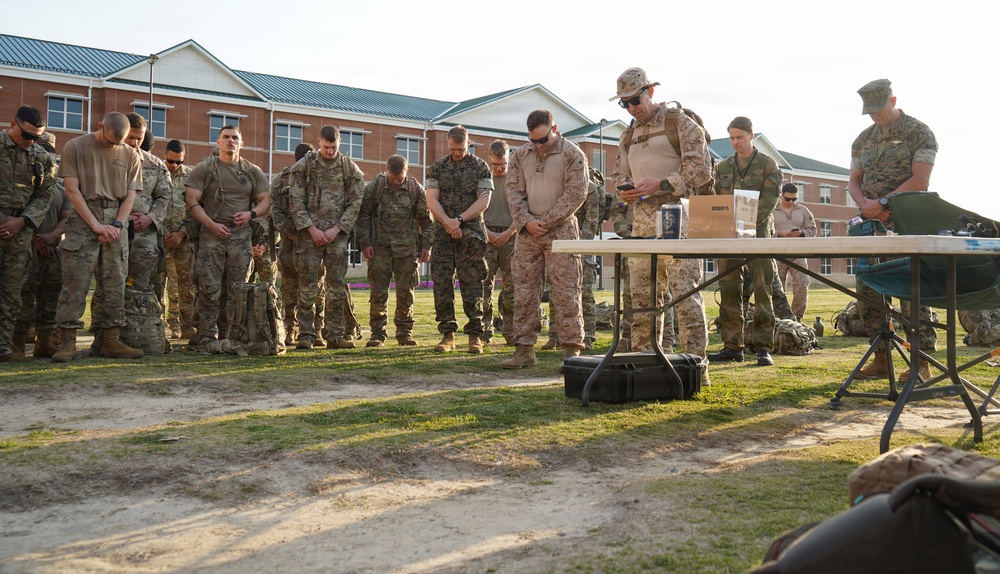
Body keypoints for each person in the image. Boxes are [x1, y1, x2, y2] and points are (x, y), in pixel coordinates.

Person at [610, 67, 713, 362]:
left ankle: (696, 366)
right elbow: (619, 174)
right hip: (642, 222)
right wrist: (626, 190)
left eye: (635, 100)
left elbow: (701, 170)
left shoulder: (679, 123)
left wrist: (663, 184)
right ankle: (646, 365)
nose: (632, 108)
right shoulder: (628, 135)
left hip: (678, 218)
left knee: (685, 296)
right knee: (642, 300)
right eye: (624, 103)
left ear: (650, 92)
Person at [849, 79, 938, 380]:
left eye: (879, 109)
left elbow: (921, 179)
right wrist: (866, 205)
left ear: (893, 100)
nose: (875, 116)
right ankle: (881, 358)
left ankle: (921, 362)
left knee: (912, 291)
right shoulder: (863, 139)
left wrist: (884, 201)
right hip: (871, 225)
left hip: (908, 222)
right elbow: (854, 180)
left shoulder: (918, 132)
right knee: (868, 289)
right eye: (870, 111)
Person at [51, 112, 143, 361]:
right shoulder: (75, 146)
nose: (113, 146)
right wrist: (95, 225)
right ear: (99, 126)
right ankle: (67, 343)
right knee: (75, 282)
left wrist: (117, 224)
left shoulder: (131, 154)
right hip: (84, 216)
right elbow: (72, 190)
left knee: (115, 283)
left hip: (116, 221)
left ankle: (111, 341)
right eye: (109, 141)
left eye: (118, 143)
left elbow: (131, 195)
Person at [500, 109, 587, 370]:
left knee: (566, 292)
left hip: (561, 232)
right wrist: (526, 221)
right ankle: (524, 351)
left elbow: (576, 194)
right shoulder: (520, 155)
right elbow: (512, 190)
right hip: (528, 234)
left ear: (554, 129)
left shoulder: (572, 154)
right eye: (533, 140)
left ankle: (571, 352)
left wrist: (547, 221)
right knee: (524, 292)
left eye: (542, 140)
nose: (538, 145)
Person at [185, 125, 270, 346]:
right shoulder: (205, 168)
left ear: (242, 143)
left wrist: (251, 214)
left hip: (240, 237)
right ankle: (206, 336)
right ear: (218, 142)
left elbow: (266, 200)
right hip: (211, 235)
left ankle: (233, 335)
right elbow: (191, 201)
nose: (230, 141)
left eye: (235, 138)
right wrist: (211, 225)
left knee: (238, 289)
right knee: (209, 287)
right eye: (226, 137)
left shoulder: (252, 171)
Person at [708, 116, 782, 367]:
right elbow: (719, 199)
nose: (735, 142)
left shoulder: (767, 164)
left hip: (758, 233)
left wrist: (747, 221)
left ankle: (763, 347)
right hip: (729, 234)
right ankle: (732, 346)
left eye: (739, 137)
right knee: (729, 289)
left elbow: (770, 199)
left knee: (762, 289)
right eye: (731, 138)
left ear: (751, 135)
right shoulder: (724, 167)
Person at [287, 125, 364, 350]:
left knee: (336, 287)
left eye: (334, 147)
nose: (330, 151)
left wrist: (336, 229)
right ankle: (306, 335)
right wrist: (312, 230)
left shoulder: (349, 168)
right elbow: (295, 201)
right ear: (319, 141)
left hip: (336, 238)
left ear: (340, 142)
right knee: (308, 286)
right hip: (309, 237)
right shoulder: (304, 167)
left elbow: (355, 202)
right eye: (327, 147)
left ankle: (335, 334)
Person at [425, 125, 493, 354]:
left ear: (469, 143)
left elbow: (484, 201)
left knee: (473, 283)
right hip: (444, 233)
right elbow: (431, 200)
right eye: (453, 149)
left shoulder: (480, 167)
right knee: (442, 283)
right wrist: (448, 222)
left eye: (461, 149)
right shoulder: (437, 168)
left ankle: (475, 335)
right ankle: (448, 334)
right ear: (447, 143)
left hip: (471, 232)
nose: (457, 153)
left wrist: (460, 220)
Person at [0, 106, 58, 361]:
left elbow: (45, 195)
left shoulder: (42, 158)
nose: (31, 141)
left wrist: (22, 221)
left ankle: (4, 346)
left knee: (12, 290)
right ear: (13, 124)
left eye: (37, 137)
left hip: (20, 230)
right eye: (27, 135)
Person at [356, 154, 432, 346]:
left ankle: (404, 333)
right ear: (387, 170)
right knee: (378, 293)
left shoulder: (415, 189)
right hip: (379, 249)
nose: (396, 182)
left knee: (406, 293)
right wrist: (365, 243)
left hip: (406, 251)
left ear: (407, 172)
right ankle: (377, 334)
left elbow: (426, 221)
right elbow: (363, 215)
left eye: (399, 178)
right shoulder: (376, 187)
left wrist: (426, 246)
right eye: (392, 178)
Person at [271, 142, 315, 344]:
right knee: (289, 291)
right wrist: (288, 233)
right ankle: (289, 330)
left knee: (314, 289)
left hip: (313, 244)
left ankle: (315, 331)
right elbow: (275, 210)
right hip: (290, 245)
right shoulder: (282, 179)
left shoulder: (318, 178)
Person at [161, 139, 197, 340]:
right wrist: (163, 232)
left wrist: (181, 233)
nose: (174, 165)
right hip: (159, 238)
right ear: (165, 154)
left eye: (179, 162)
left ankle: (186, 325)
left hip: (183, 239)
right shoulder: (156, 172)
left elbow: (196, 208)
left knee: (186, 284)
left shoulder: (191, 177)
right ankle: (161, 325)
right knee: (158, 284)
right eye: (171, 161)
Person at [482, 140, 516, 346]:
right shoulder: (483, 178)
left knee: (511, 287)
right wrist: (487, 233)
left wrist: (509, 233)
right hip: (486, 235)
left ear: (508, 159)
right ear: (489, 159)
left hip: (510, 236)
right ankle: (484, 331)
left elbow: (523, 210)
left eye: (503, 164)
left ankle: (510, 330)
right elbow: (476, 209)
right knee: (484, 285)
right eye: (495, 164)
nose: (499, 168)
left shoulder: (517, 179)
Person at [772, 182, 816, 321]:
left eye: (794, 199)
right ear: (781, 196)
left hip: (798, 255)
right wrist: (779, 233)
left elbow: (812, 230)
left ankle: (796, 319)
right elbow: (763, 231)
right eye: (788, 199)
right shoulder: (772, 210)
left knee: (802, 285)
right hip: (777, 255)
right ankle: (780, 319)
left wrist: (801, 233)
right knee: (777, 289)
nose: (791, 202)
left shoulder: (803, 211)